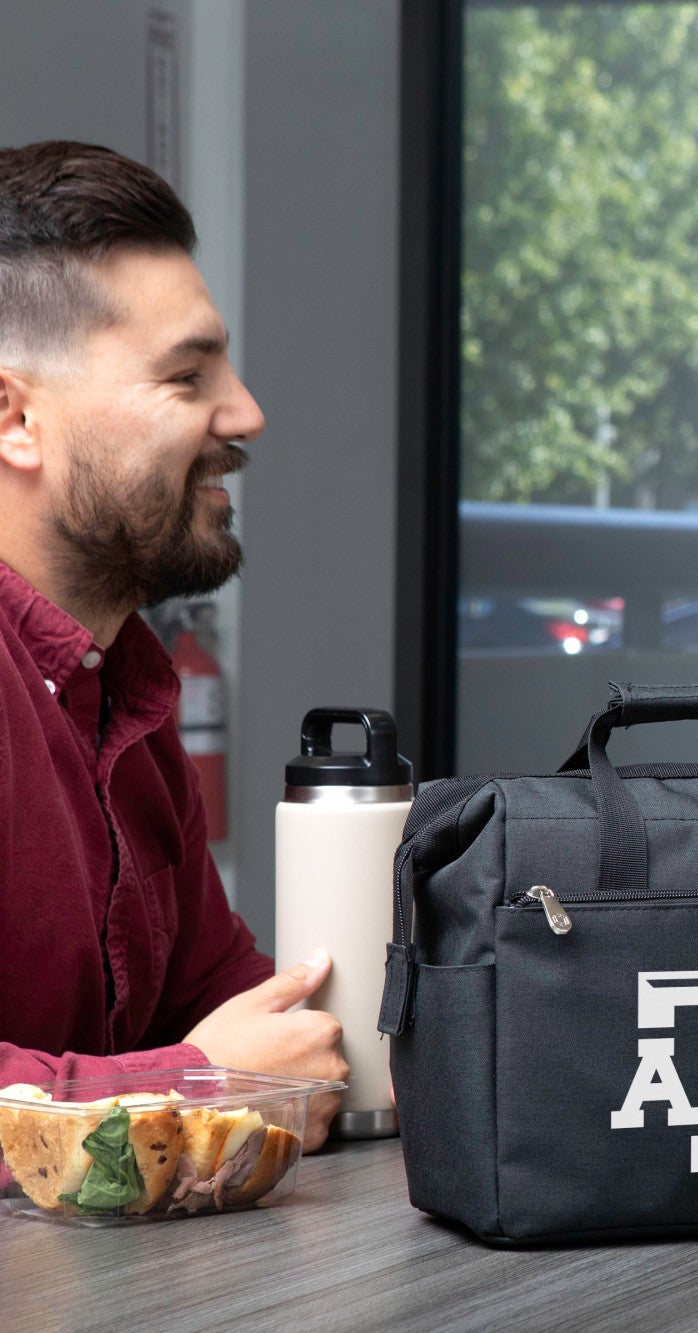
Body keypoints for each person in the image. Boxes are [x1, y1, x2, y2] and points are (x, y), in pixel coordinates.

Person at [0, 142, 345, 1147]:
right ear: (15, 416)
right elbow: (226, 1061)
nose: (244, 413)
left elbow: (242, 1013)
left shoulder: (125, 692)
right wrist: (202, 1084)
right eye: (188, 375)